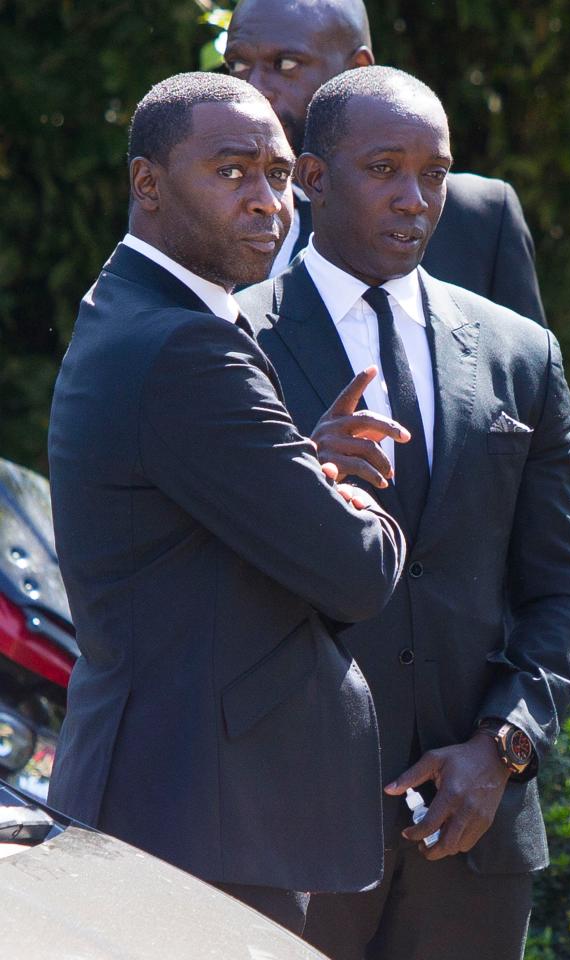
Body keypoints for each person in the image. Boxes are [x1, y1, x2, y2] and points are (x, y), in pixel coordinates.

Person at [237, 66, 570, 960]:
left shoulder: (522, 354)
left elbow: (562, 590)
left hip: (473, 836)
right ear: (314, 179)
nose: (415, 199)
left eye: (434, 173)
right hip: (282, 830)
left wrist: (502, 748)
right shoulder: (229, 342)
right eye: (385, 168)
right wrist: (300, 470)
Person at [46, 71, 406, 935]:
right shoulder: (186, 345)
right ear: (149, 185)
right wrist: (345, 488)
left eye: (280, 176)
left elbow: (189, 511)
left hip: (180, 808)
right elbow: (358, 571)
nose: (268, 202)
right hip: (193, 827)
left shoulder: (138, 311)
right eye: (233, 171)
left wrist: (295, 466)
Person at [225, 0, 547, 326]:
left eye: (285, 64)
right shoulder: (205, 215)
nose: (253, 89)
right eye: (237, 66)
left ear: (356, 70)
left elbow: (522, 368)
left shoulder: (475, 220)